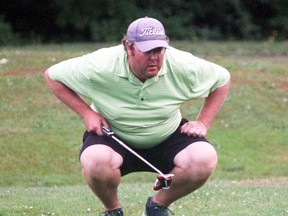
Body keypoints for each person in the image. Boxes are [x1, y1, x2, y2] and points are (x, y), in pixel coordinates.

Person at [44, 17, 230, 216]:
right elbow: (53, 76)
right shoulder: (100, 65)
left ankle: (156, 208)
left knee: (204, 158)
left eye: (159, 50)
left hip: (166, 134)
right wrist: (87, 113)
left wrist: (203, 122)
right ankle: (113, 211)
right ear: (128, 47)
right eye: (147, 51)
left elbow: (221, 79)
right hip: (113, 136)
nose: (154, 58)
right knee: (94, 160)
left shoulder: (183, 65)